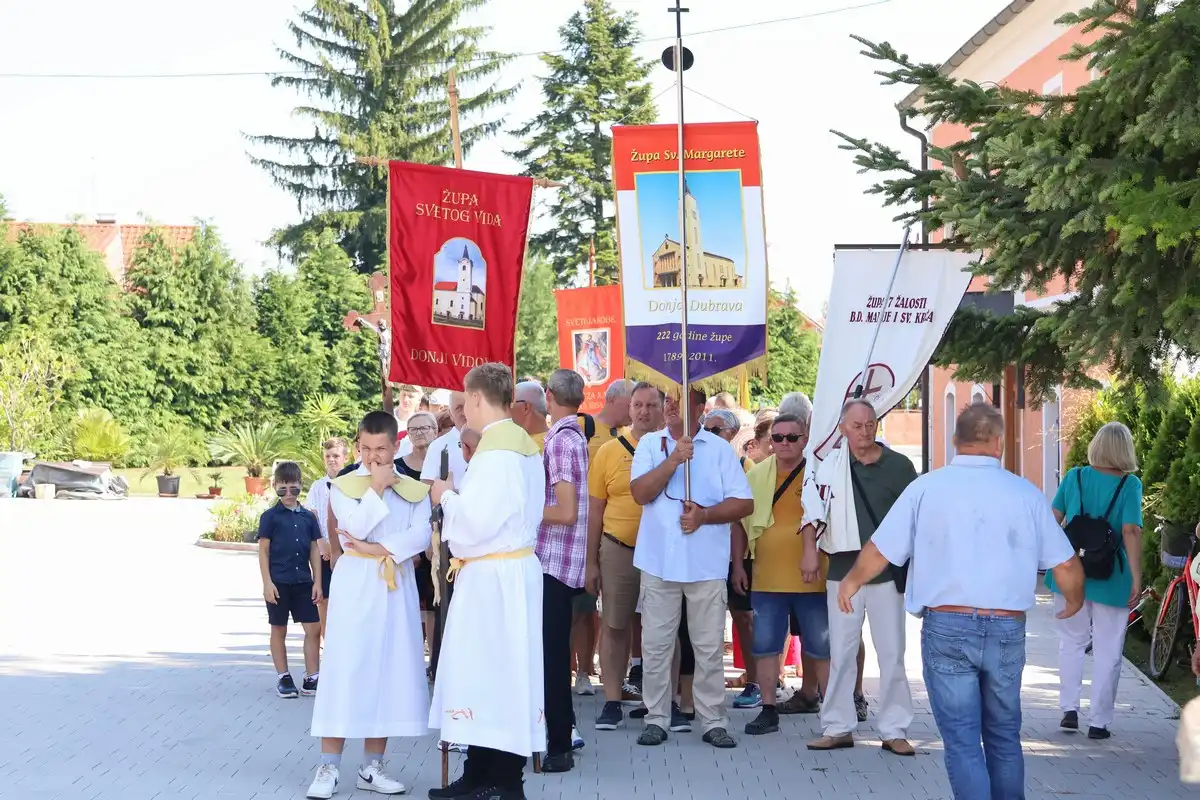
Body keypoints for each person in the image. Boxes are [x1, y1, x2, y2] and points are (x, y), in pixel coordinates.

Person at [838, 401, 1084, 799]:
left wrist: (850, 582)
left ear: (955, 441)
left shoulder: (926, 488)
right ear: (1000, 442)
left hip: (947, 626)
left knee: (963, 742)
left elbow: (880, 549)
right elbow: (1067, 564)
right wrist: (1073, 600)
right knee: (1004, 736)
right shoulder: (1025, 493)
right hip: (1006, 625)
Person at [428, 363, 546, 800]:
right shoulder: (520, 445)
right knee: (488, 673)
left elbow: (476, 523)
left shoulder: (496, 454)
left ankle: (500, 780)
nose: (462, 409)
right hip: (502, 573)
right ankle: (478, 771)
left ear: (477, 398)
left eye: (464, 399)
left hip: (495, 576)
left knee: (496, 674)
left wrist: (446, 497)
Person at [306, 411, 433, 799]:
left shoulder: (414, 489)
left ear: (396, 446)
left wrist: (378, 548)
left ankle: (372, 766)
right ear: (357, 446)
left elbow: (421, 536)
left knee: (387, 669)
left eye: (381, 449)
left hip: (394, 588)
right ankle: (328, 765)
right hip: (356, 587)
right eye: (366, 449)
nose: (374, 457)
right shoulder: (343, 486)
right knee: (346, 668)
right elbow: (352, 533)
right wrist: (376, 489)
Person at [631, 388, 753, 749]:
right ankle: (656, 718)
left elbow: (743, 503)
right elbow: (639, 493)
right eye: (667, 398)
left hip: (704, 564)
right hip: (658, 562)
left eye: (679, 400)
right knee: (655, 646)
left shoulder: (717, 449)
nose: (669, 405)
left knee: (708, 646)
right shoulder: (651, 445)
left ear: (700, 409)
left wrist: (705, 515)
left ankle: (713, 719)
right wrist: (673, 461)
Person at [805, 399, 917, 755]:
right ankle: (838, 726)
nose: (865, 431)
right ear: (842, 429)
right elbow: (812, 511)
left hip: (886, 576)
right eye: (857, 425)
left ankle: (895, 729)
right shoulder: (830, 467)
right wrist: (809, 550)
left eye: (870, 424)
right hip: (842, 572)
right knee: (841, 651)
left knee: (892, 653)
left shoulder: (899, 466)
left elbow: (914, 521)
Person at [733, 413, 829, 735]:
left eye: (792, 437)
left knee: (820, 646)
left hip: (812, 577)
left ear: (805, 440)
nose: (784, 443)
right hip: (768, 575)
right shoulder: (756, 476)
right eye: (778, 437)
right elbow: (740, 522)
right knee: (765, 645)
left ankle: (831, 714)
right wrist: (737, 565)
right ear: (769, 441)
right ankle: (768, 709)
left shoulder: (819, 474)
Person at [1048, 421, 1144, 740]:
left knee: (1071, 642)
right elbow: (1131, 530)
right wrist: (1136, 576)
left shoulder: (1074, 476)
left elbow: (1053, 520)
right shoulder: (1130, 485)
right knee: (1108, 649)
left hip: (1070, 570)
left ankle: (1069, 710)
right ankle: (1099, 721)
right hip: (1111, 574)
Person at [588, 382, 664, 730]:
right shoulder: (608, 451)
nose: (644, 411)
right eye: (638, 405)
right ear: (628, 408)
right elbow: (595, 508)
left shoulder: (673, 449)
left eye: (651, 405)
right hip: (619, 548)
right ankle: (613, 700)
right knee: (614, 625)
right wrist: (590, 561)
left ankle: (664, 703)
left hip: (663, 553)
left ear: (663, 409)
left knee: (664, 629)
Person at [531, 369, 591, 772]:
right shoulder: (572, 437)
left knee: (551, 657)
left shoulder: (562, 442)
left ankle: (558, 745)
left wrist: (522, 509)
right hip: (560, 560)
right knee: (552, 654)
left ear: (549, 397)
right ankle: (561, 733)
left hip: (554, 560)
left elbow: (565, 511)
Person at [259, 461, 323, 700]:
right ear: (275, 487)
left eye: (294, 489)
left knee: (313, 628)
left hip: (303, 582)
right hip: (279, 582)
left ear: (300, 488)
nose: (288, 494)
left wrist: (317, 581)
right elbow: (263, 551)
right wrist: (267, 582)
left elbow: (315, 549)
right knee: (278, 628)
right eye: (282, 489)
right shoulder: (270, 517)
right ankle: (283, 676)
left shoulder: (308, 517)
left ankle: (312, 677)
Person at [304, 438, 349, 639]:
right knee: (324, 598)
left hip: (347, 548)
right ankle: (327, 640)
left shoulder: (351, 484)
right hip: (323, 550)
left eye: (336, 456)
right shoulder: (317, 487)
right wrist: (322, 544)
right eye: (328, 456)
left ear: (345, 458)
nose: (332, 460)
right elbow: (312, 515)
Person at [401, 411, 439, 647]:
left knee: (435, 604)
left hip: (437, 542)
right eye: (413, 429)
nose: (419, 433)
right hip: (409, 546)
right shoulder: (399, 468)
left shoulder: (443, 462)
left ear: (436, 431)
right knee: (410, 604)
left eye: (424, 428)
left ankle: (434, 661)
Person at [421, 391, 469, 490]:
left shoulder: (489, 439)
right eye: (458, 408)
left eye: (468, 406)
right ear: (450, 414)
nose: (464, 412)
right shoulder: (439, 446)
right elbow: (426, 486)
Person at [588, 379, 633, 460]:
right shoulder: (582, 425)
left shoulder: (631, 434)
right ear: (611, 399)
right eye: (630, 406)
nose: (634, 412)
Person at [512, 379, 550, 451]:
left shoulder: (525, 450)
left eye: (510, 403)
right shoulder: (559, 440)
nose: (507, 409)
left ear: (525, 407)